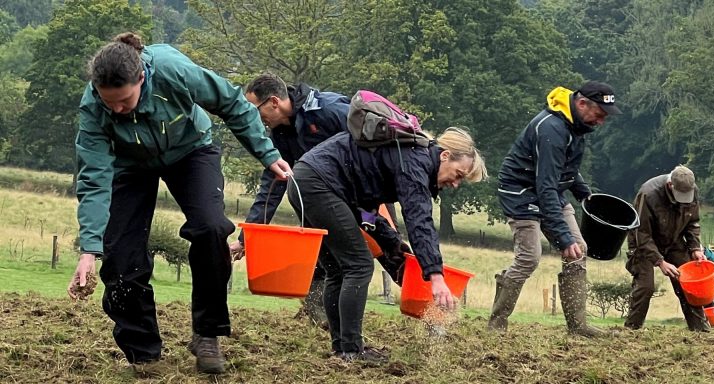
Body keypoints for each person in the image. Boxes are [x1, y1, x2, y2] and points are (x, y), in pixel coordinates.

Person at [67, 33, 291, 374]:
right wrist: (89, 249)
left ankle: (207, 334)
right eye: (108, 101)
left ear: (141, 78)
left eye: (124, 101)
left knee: (212, 228)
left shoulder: (173, 71)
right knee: (121, 257)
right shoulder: (93, 109)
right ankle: (143, 354)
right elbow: (95, 179)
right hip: (129, 164)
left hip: (191, 150)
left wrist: (267, 154)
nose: (116, 109)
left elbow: (232, 102)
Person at [289, 126, 486, 363]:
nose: (455, 183)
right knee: (359, 265)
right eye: (459, 174)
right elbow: (419, 220)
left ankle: (343, 348)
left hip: (305, 180)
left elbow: (367, 209)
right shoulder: (416, 163)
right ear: (445, 156)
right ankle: (352, 351)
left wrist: (393, 243)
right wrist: (436, 276)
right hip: (320, 185)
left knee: (338, 269)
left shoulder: (408, 154)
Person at [490, 81, 621, 337]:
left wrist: (585, 193)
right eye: (599, 114)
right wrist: (563, 237)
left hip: (549, 190)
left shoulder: (575, 126)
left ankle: (578, 327)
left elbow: (565, 168)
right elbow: (545, 185)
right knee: (529, 258)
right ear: (582, 104)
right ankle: (497, 324)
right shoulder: (551, 129)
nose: (601, 122)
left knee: (578, 251)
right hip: (521, 193)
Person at [227, 72, 351, 327]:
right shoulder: (282, 135)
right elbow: (272, 187)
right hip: (324, 205)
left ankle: (431, 306)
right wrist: (245, 240)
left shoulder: (329, 111)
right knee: (329, 258)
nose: (256, 119)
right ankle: (328, 321)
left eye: (256, 110)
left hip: (364, 197)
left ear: (274, 102)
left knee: (386, 253)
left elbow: (369, 145)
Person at [624, 165, 710, 331]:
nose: (684, 198)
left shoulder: (692, 191)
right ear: (670, 185)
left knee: (687, 282)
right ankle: (631, 330)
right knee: (645, 287)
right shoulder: (648, 194)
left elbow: (693, 222)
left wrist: (695, 248)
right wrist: (660, 261)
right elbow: (641, 233)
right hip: (644, 242)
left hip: (674, 239)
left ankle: (701, 330)